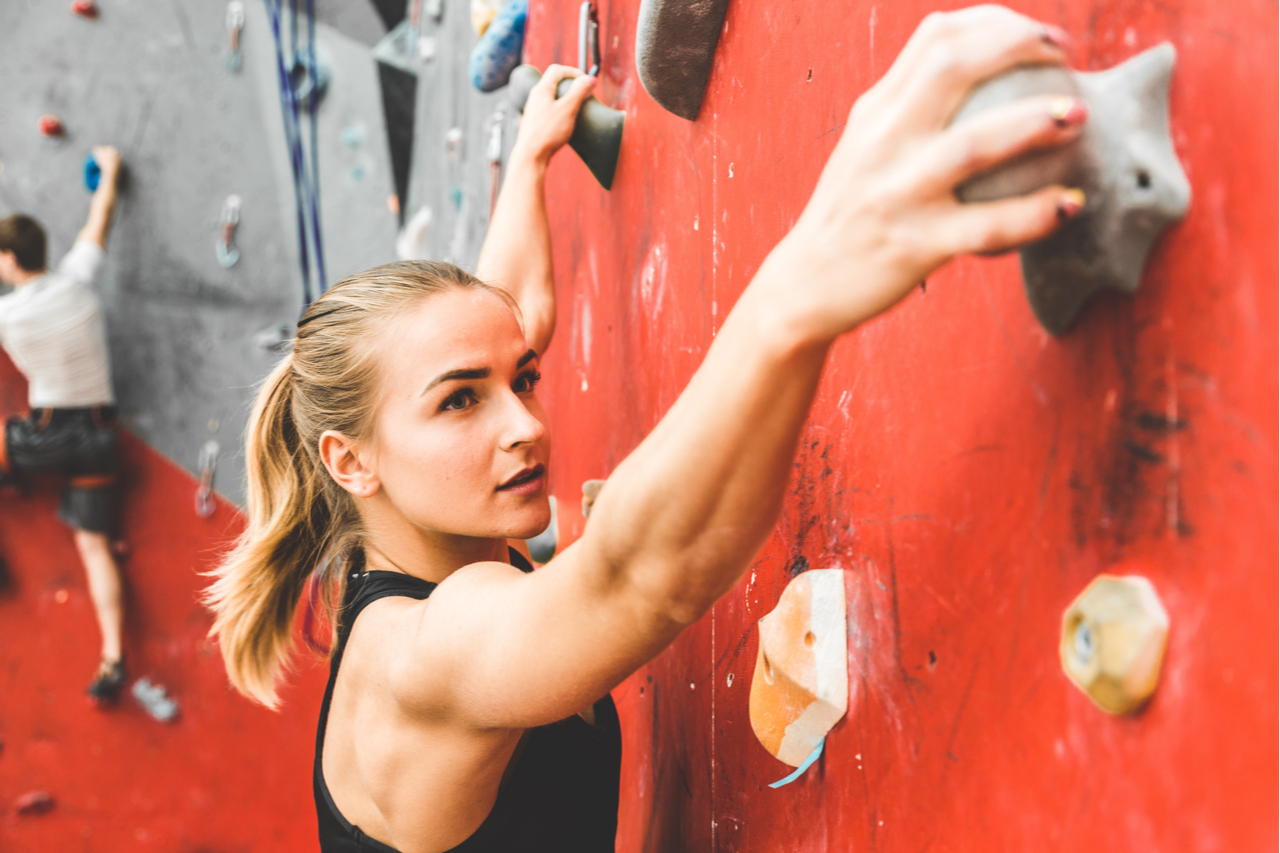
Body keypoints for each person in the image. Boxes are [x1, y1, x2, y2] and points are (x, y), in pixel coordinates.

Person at [206, 8, 1089, 852]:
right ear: (350, 460)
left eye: (525, 381)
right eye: (460, 401)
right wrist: (811, 274)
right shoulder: (422, 655)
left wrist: (527, 163)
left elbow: (508, 310)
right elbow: (638, 579)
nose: (524, 425)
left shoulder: (413, 533)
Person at [0, 146, 130, 705]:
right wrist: (111, 169)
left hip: (50, 435)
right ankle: (113, 656)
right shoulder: (79, 277)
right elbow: (99, 219)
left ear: (8, 258)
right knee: (93, 546)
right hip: (101, 438)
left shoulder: (7, 313)